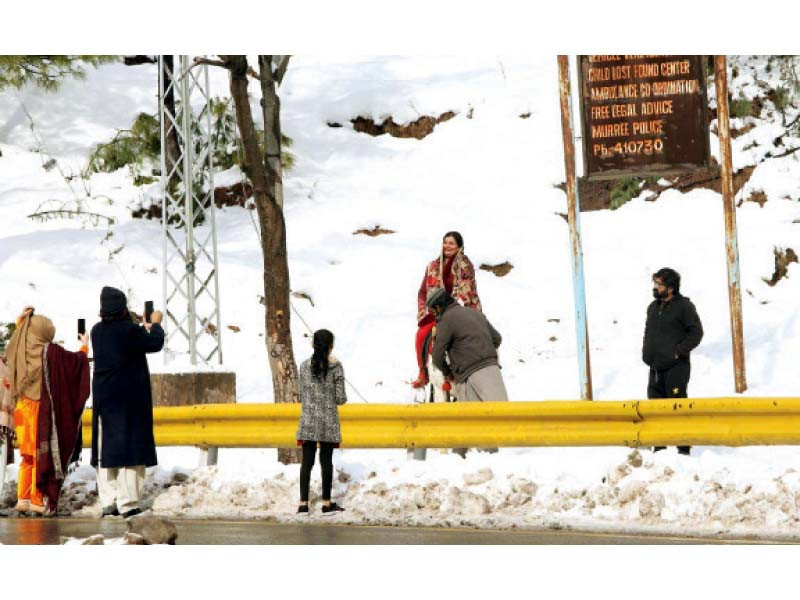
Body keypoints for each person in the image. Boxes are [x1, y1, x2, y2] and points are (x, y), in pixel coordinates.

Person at [6, 306, 90, 516]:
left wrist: (21, 322)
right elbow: (73, 364)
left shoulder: (19, 349)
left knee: (26, 457)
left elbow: (17, 338)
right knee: (38, 454)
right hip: (36, 408)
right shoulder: (48, 351)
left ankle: (22, 499)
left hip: (20, 407)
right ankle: (36, 500)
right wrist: (84, 348)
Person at [90, 287, 164, 518]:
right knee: (132, 450)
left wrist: (141, 327)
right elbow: (154, 343)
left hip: (104, 398)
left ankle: (108, 500)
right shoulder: (130, 331)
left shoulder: (96, 331)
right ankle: (128, 502)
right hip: (129, 399)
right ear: (123, 307)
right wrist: (155, 324)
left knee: (106, 451)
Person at [428, 288, 507, 457]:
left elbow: (436, 356)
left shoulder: (445, 322)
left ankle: (461, 456)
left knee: (470, 420)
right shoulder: (476, 314)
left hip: (467, 375)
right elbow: (497, 338)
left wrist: (448, 372)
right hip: (492, 369)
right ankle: (474, 455)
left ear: (438, 308)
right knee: (501, 415)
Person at [642, 268, 704, 456]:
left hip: (676, 367)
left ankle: (683, 449)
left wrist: (677, 352)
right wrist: (646, 352)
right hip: (655, 367)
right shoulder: (653, 307)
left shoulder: (684, 306)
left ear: (670, 287)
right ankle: (659, 447)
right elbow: (648, 332)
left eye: (659, 284)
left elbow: (696, 333)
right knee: (655, 408)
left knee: (677, 407)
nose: (655, 287)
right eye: (655, 283)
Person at [412, 231, 482, 389]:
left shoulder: (465, 266)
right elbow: (423, 292)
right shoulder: (432, 266)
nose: (447, 246)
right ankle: (423, 373)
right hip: (437, 312)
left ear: (459, 247)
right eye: (445, 242)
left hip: (459, 309)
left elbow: (468, 291)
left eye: (451, 243)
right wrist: (423, 308)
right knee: (421, 334)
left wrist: (466, 310)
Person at [295, 329, 347, 515]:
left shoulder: (303, 366)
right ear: (331, 346)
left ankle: (303, 504)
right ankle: (326, 503)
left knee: (306, 463)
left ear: (312, 344)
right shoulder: (336, 367)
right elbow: (341, 398)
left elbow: (302, 395)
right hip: (328, 422)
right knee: (326, 462)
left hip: (308, 420)